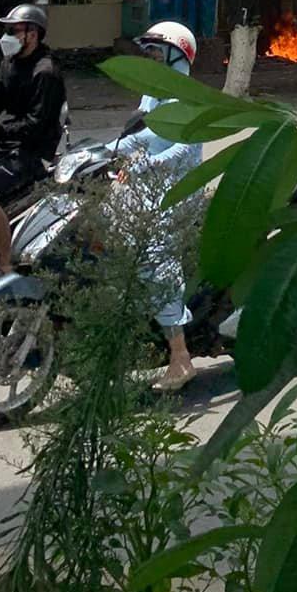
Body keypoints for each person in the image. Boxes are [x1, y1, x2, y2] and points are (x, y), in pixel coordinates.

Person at [113, 20, 201, 393]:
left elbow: (185, 149)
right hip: (147, 190)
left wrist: (146, 163)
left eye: (154, 50)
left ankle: (180, 357)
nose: (147, 56)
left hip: (178, 194)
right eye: (146, 50)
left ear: (175, 53)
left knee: (155, 256)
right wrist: (103, 153)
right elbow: (141, 134)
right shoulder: (152, 95)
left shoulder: (185, 97)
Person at [0, 3, 67, 279]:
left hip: (32, 153)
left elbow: (35, 125)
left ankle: (4, 262)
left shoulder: (45, 72)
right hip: (5, 146)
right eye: (7, 30)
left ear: (32, 34)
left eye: (14, 30)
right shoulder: (11, 64)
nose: (7, 36)